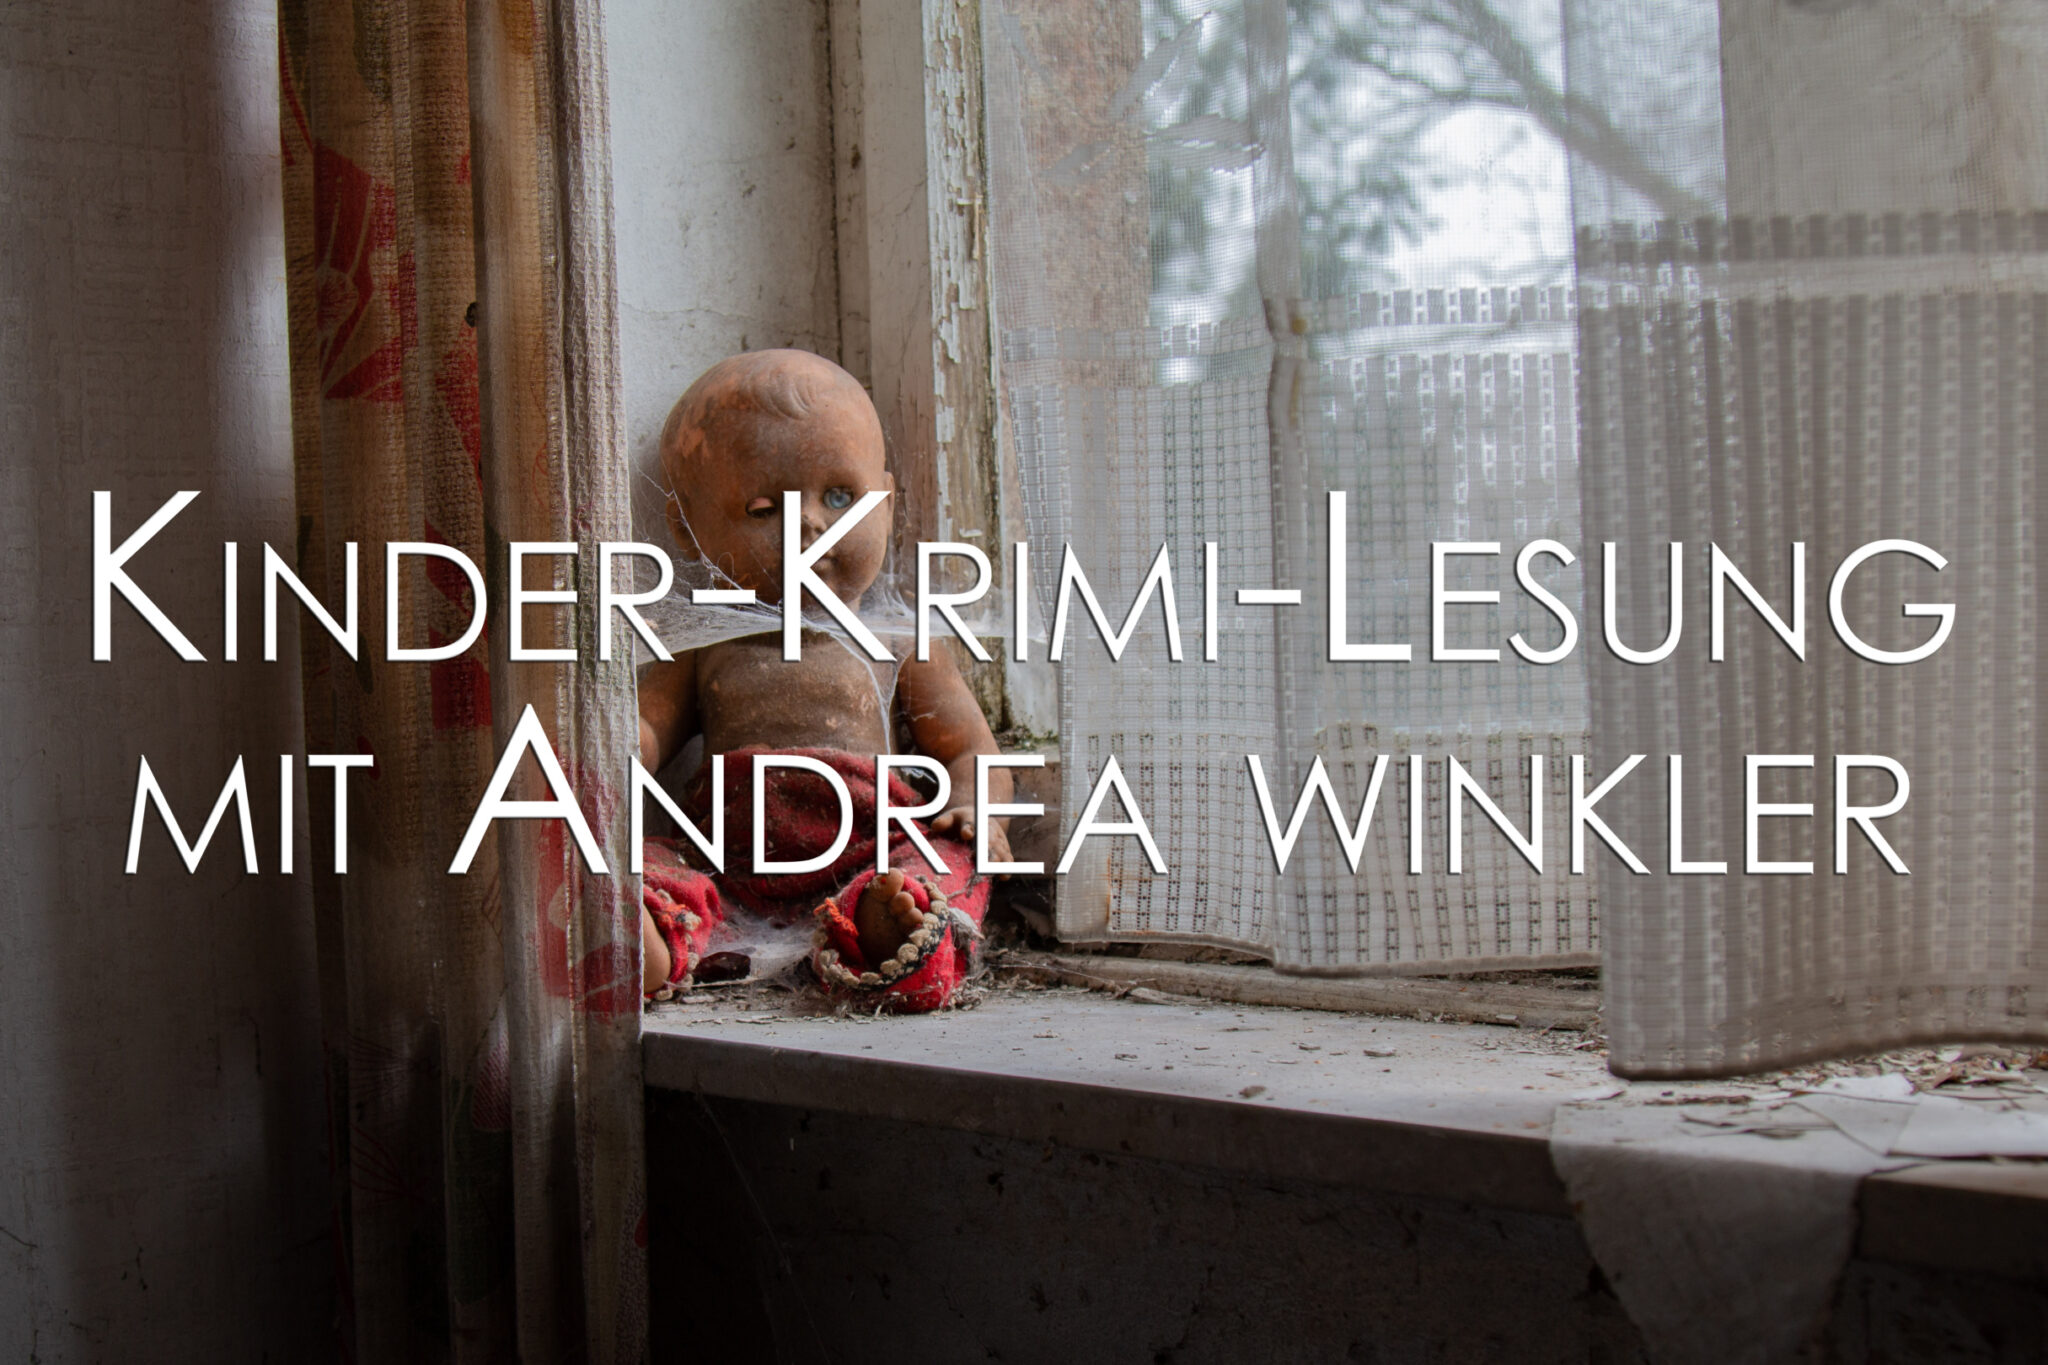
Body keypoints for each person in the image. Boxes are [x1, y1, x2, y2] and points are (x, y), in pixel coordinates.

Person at [635, 349, 1012, 1010]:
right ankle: (650, 935)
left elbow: (970, 749)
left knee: (950, 859)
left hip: (873, 851)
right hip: (728, 863)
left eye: (840, 497)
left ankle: (890, 931)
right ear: (684, 527)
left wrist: (974, 805)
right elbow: (643, 730)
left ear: (886, 505)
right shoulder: (704, 647)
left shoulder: (902, 642)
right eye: (763, 508)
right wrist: (605, 757)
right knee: (638, 859)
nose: (809, 523)